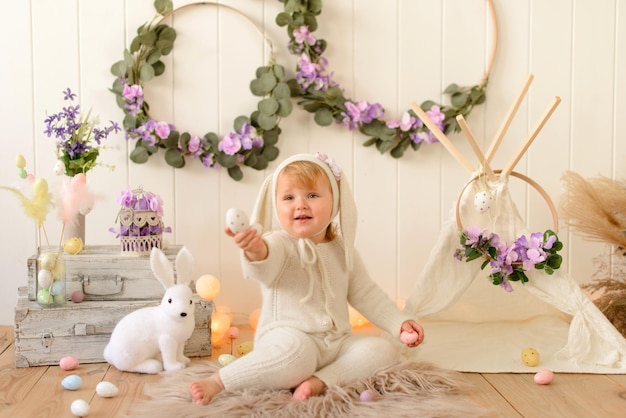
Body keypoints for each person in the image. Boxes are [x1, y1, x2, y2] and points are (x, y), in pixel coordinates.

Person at [190, 152, 424, 405]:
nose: (300, 204)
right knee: (295, 358)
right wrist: (254, 249)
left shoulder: (342, 250)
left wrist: (399, 323)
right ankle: (220, 380)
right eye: (289, 197)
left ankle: (321, 380)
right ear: (276, 205)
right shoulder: (278, 243)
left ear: (334, 202)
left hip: (336, 342)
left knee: (382, 349)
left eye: (312, 195)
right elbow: (264, 265)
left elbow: (366, 294)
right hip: (290, 337)